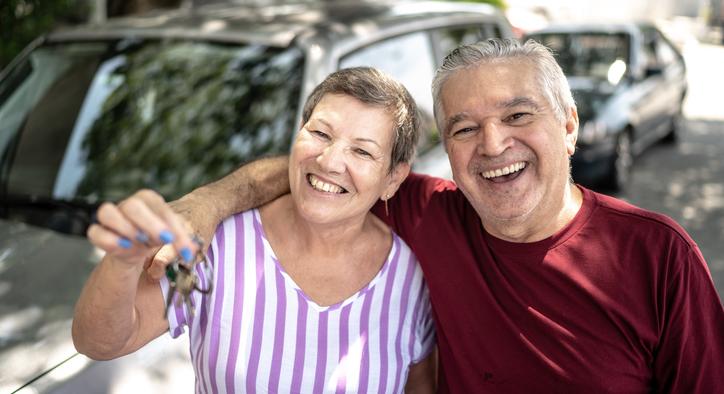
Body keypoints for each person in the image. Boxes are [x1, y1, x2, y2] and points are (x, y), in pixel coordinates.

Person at [162, 39, 724, 393]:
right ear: (446, 152)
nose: (493, 144)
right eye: (463, 128)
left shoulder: (659, 256)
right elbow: (313, 170)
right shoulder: (428, 211)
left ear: (570, 126)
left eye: (518, 115)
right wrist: (204, 205)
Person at [72, 67, 437, 393]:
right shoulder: (220, 241)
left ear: (393, 179)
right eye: (321, 134)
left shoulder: (410, 277)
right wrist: (123, 262)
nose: (329, 161)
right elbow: (99, 342)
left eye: (362, 152)